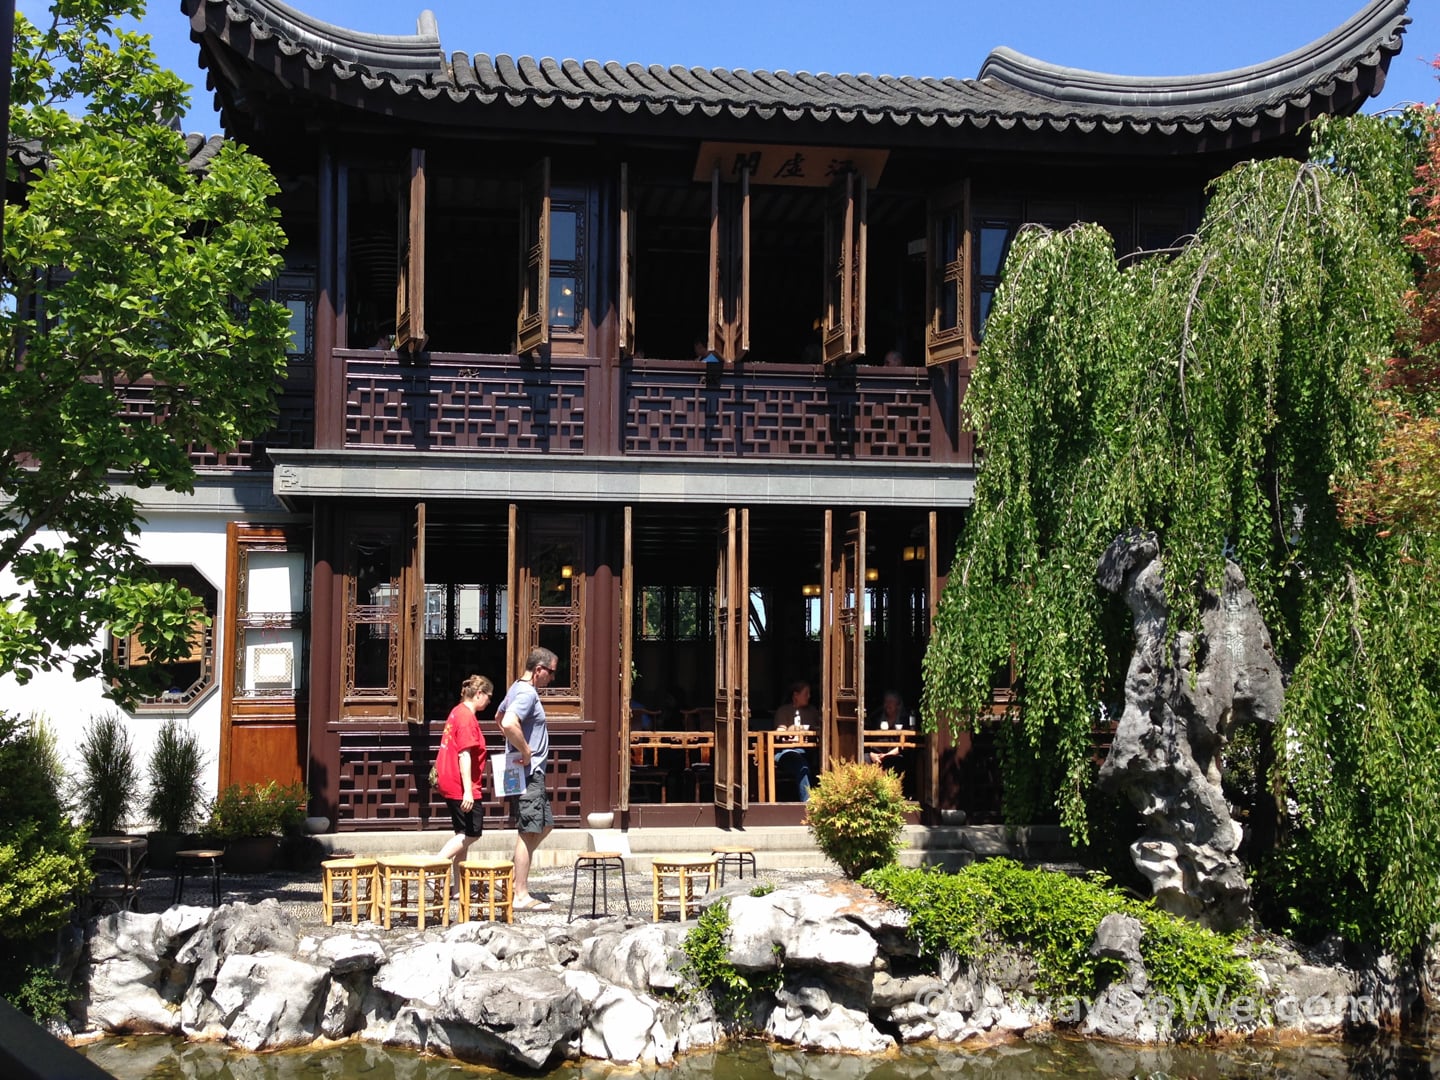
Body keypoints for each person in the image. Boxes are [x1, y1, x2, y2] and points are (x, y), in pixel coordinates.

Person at [497, 646, 558, 911]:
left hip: (531, 771)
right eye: (551, 672)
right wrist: (524, 750)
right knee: (528, 829)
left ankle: (513, 879)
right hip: (528, 771)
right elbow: (508, 721)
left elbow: (498, 716)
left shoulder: (515, 688)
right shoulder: (526, 692)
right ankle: (520, 894)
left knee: (544, 825)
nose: (552, 679)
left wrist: (514, 746)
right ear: (539, 670)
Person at [435, 674, 493, 890]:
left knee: (462, 835)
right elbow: (465, 755)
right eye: (488, 696)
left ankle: (459, 888)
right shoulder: (467, 717)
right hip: (461, 784)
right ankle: (435, 866)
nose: (489, 701)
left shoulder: (456, 712)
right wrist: (468, 791)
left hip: (449, 780)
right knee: (472, 833)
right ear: (479, 694)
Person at [766, 679, 820, 802]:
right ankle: (807, 801)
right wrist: (789, 729)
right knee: (801, 765)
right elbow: (779, 732)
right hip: (787, 751)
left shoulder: (812, 711)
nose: (809, 697)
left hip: (810, 750)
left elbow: (821, 728)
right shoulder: (784, 711)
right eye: (806, 694)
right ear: (796, 695)